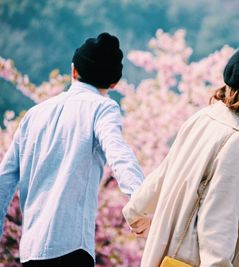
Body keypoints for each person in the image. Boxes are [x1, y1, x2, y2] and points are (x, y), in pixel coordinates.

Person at [123, 43, 239, 266]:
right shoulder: (236, 141)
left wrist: (135, 211)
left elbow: (165, 172)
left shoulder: (203, 117)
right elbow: (217, 222)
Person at [0, 32, 144, 266]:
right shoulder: (102, 108)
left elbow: (4, 181)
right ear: (114, 83)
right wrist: (141, 203)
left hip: (30, 249)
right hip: (71, 247)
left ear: (73, 70)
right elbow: (119, 155)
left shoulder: (35, 114)